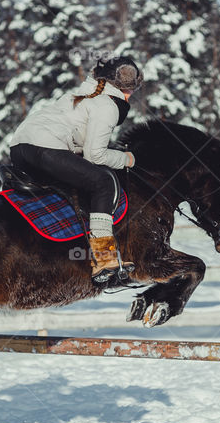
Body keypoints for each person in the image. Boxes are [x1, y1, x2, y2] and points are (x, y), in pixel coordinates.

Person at [9, 56, 143, 281]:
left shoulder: (82, 94)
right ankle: (103, 257)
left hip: (20, 148)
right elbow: (96, 155)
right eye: (132, 90)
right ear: (125, 89)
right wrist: (126, 159)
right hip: (46, 146)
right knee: (103, 182)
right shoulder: (108, 104)